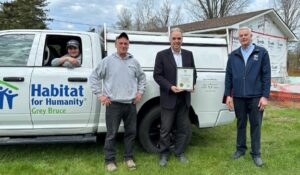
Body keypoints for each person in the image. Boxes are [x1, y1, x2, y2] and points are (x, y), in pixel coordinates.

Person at [89, 32, 146, 172]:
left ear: (128, 45)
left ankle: (128, 158)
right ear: (115, 45)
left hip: (131, 104)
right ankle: (109, 160)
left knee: (131, 133)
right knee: (111, 134)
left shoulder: (134, 62)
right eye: (120, 43)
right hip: (113, 104)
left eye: (126, 43)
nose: (123, 46)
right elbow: (94, 77)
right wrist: (100, 95)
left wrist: (140, 92)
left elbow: (142, 78)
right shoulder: (107, 61)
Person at [224, 27, 271, 167]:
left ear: (251, 36)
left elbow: (266, 76)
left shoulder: (261, 53)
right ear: (238, 38)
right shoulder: (233, 55)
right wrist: (228, 95)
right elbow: (229, 77)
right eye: (241, 36)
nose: (244, 37)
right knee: (241, 124)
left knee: (256, 125)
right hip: (238, 96)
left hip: (256, 97)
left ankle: (256, 154)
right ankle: (240, 149)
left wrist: (265, 96)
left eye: (246, 35)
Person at [153, 27, 197, 167]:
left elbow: (193, 73)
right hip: (169, 97)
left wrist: (192, 84)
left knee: (183, 128)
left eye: (179, 38)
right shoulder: (161, 55)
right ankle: (164, 154)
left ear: (182, 39)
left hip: (184, 99)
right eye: (174, 38)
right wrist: (170, 87)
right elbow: (157, 75)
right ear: (170, 40)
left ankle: (179, 152)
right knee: (165, 129)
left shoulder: (189, 54)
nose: (176, 41)